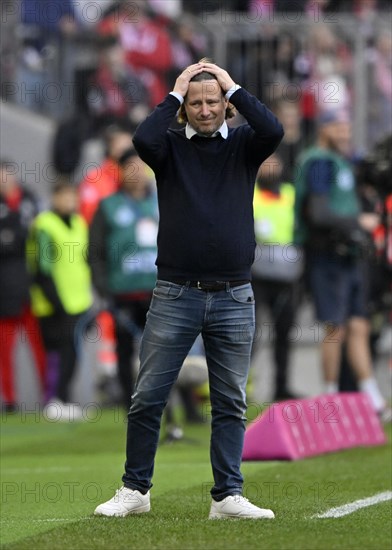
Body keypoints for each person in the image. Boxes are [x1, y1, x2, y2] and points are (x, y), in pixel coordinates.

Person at [94, 59, 284, 519]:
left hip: (235, 294)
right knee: (148, 396)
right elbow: (142, 139)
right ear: (184, 108)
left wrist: (233, 86)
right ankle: (135, 489)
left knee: (230, 401)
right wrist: (176, 90)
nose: (204, 109)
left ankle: (227, 495)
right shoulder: (170, 148)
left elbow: (273, 129)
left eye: (212, 101)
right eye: (195, 103)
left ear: (226, 106)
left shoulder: (243, 144)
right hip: (175, 292)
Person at [294, 109, 390, 421]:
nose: (345, 133)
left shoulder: (342, 161)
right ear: (324, 129)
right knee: (334, 327)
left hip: (349, 254)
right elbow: (319, 214)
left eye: (348, 127)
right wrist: (357, 221)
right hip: (326, 254)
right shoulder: (319, 162)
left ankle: (372, 398)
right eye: (338, 127)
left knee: (359, 325)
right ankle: (330, 396)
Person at [89, 149, 158, 410]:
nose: (136, 172)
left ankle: (178, 402)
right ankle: (131, 404)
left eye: (140, 166)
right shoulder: (108, 206)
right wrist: (103, 288)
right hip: (123, 292)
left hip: (159, 291)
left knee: (166, 347)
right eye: (129, 167)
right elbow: (95, 252)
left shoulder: (161, 201)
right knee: (124, 349)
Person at [27, 181, 93, 421]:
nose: (69, 201)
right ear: (54, 198)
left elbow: (83, 262)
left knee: (72, 352)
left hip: (79, 301)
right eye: (63, 196)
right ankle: (55, 399)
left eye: (72, 197)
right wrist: (56, 302)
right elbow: (41, 269)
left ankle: (63, 399)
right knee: (59, 352)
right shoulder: (44, 225)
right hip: (54, 302)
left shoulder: (78, 223)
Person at [252, 153, 303, 401]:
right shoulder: (249, 193)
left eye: (274, 161)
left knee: (284, 334)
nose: (270, 166)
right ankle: (243, 388)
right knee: (248, 333)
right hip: (255, 275)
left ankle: (281, 387)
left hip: (286, 276)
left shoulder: (292, 194)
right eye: (265, 161)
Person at [0, 160, 46, 412]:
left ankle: (48, 396)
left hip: (33, 288)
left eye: (7, 174)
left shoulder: (30, 199)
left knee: (40, 347)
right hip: (5, 291)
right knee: (5, 350)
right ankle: (9, 400)